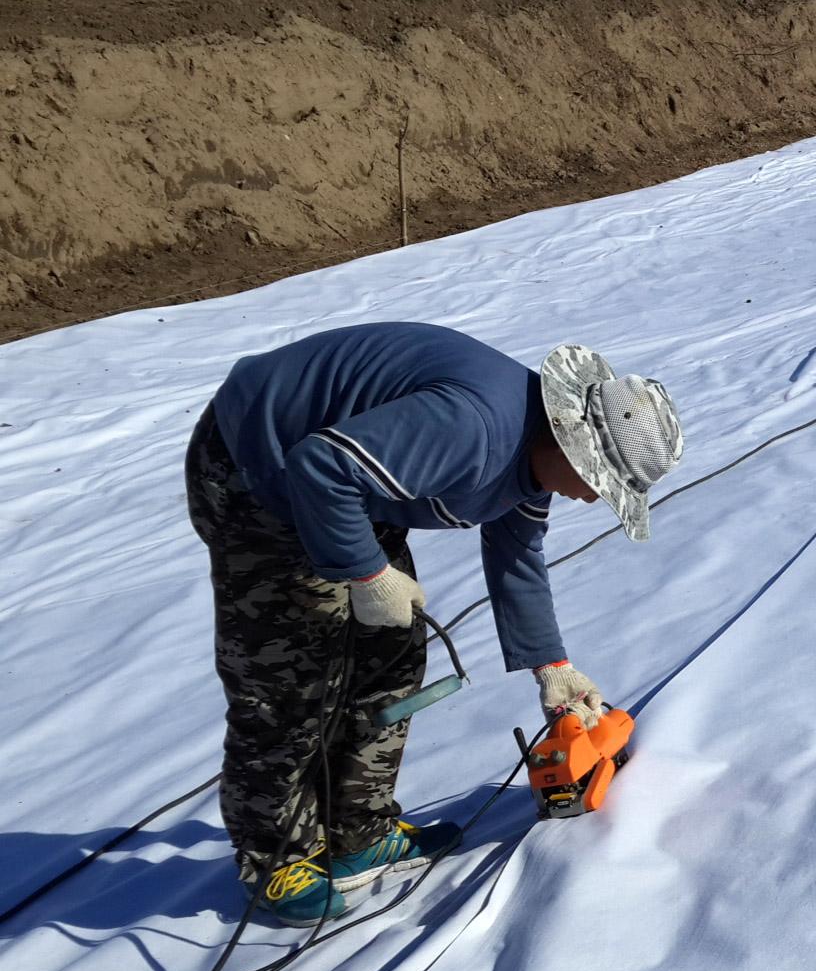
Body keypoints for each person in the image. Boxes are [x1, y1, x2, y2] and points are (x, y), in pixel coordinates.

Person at [185, 322, 684, 926]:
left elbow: (517, 555)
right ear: (572, 446)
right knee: (292, 678)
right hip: (261, 467)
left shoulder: (531, 458)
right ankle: (277, 859)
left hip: (351, 482)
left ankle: (359, 832)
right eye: (597, 485)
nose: (589, 499)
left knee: (392, 654)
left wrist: (552, 667)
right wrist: (367, 573)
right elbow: (319, 466)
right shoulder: (471, 428)